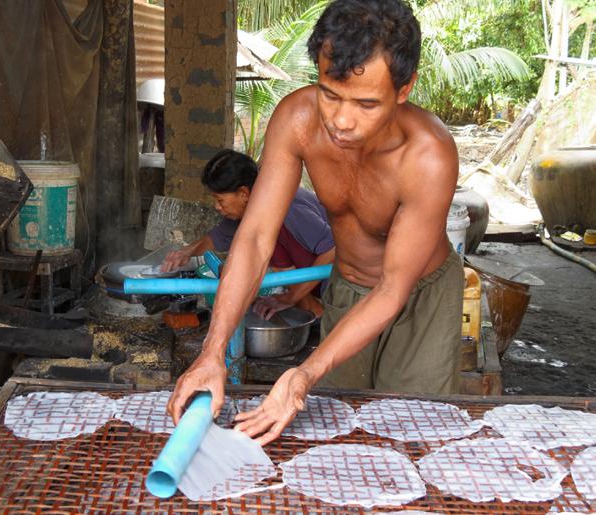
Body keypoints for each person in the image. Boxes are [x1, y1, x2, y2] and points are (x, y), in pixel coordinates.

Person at [168, 0, 464, 445]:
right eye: (330, 93)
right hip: (347, 284)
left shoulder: (428, 155)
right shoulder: (297, 120)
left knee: (410, 434)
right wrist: (212, 352)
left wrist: (303, 373)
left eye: (366, 103)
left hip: (419, 296)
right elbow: (254, 238)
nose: (342, 121)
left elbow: (391, 289)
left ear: (404, 89)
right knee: (336, 431)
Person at [161, 149, 335, 318]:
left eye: (220, 200)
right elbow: (215, 237)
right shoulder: (252, 209)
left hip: (344, 281)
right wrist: (186, 252)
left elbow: (332, 249)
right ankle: (315, 316)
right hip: (312, 279)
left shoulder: (288, 207)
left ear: (244, 193)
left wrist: (291, 297)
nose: (217, 206)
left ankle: (320, 319)